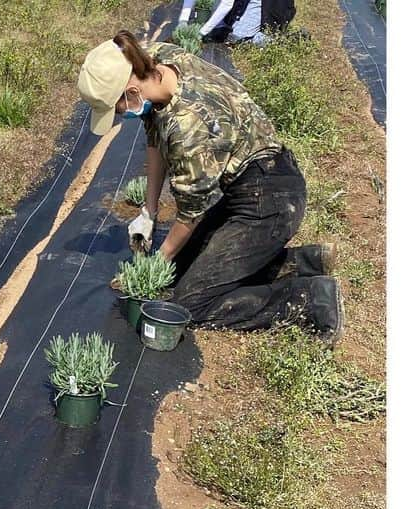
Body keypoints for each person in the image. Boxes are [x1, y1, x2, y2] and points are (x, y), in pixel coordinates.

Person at [77, 31, 341, 339]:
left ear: (132, 91)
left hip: (269, 201)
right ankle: (306, 260)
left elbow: (190, 214)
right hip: (244, 186)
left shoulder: (190, 127)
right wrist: (148, 212)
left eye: (119, 109)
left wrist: (156, 265)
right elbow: (154, 136)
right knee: (184, 269)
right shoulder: (154, 59)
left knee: (189, 305)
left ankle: (309, 298)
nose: (122, 116)